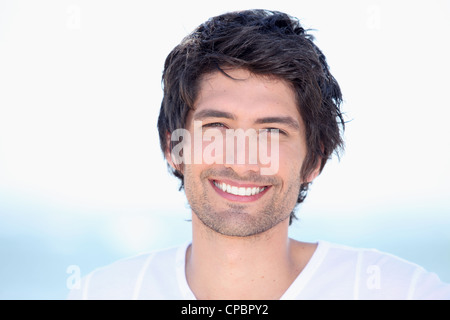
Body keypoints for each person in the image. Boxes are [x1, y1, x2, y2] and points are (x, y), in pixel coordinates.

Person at [68, 9, 450, 300]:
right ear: (173, 147)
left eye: (272, 132)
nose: (242, 160)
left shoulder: (400, 291)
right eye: (217, 127)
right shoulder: (101, 293)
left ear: (314, 160)